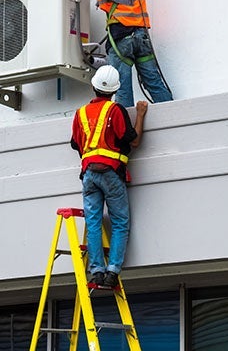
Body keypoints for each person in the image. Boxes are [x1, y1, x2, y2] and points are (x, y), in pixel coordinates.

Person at [57, 0, 173, 108]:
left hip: (121, 37)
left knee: (122, 88)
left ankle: (125, 126)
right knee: (154, 82)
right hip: (142, 36)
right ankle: (172, 114)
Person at [70, 65, 148, 288]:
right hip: (111, 173)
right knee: (120, 222)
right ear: (115, 90)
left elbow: (76, 144)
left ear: (94, 86)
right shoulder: (115, 110)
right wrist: (140, 115)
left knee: (93, 222)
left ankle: (96, 271)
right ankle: (113, 270)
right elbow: (133, 142)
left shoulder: (80, 113)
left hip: (88, 175)